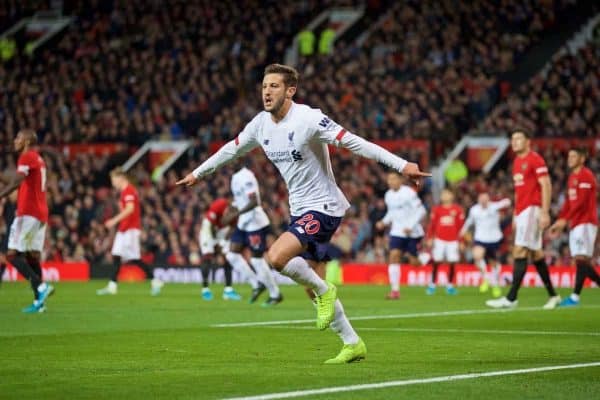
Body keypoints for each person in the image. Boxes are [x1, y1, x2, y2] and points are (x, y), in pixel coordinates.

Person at [177, 63, 429, 363]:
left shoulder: (310, 119)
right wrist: (198, 172)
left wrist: (402, 165)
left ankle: (326, 291)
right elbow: (231, 149)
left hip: (324, 206)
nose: (267, 92)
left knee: (276, 257)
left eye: (274, 86)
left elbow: (356, 143)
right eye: (264, 86)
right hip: (300, 211)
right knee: (310, 288)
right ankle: (352, 343)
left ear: (290, 90)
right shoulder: (260, 125)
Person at [486, 130, 561, 309]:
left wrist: (544, 212)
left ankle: (511, 298)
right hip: (522, 212)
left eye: (518, 138)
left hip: (533, 210)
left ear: (528, 141)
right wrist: (515, 214)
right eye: (512, 139)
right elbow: (519, 192)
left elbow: (546, 184)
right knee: (536, 254)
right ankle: (553, 296)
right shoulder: (517, 162)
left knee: (519, 251)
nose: (514, 142)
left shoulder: (535, 159)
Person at [0, 129, 54, 312]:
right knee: (31, 257)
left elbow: (16, 183)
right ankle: (40, 303)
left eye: (18, 138)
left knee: (12, 255)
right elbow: (17, 180)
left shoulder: (26, 157)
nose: (15, 141)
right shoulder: (37, 158)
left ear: (26, 141)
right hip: (40, 213)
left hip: (27, 212)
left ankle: (41, 287)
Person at [97, 168, 164, 296]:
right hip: (124, 229)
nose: (112, 183)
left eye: (113, 180)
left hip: (130, 230)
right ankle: (112, 286)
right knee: (116, 255)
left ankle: (155, 280)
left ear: (120, 178)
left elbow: (130, 209)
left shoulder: (129, 191)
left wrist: (114, 220)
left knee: (133, 258)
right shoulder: (124, 192)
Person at [549, 147, 599, 306]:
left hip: (585, 222)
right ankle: (575, 297)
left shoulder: (586, 176)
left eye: (573, 156)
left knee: (580, 259)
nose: (569, 158)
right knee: (581, 261)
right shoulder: (572, 177)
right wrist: (560, 220)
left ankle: (575, 297)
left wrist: (565, 220)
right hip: (576, 223)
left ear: (582, 158)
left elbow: (582, 203)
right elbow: (569, 203)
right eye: (569, 155)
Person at [227, 165, 283, 306]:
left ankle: (275, 294)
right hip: (243, 223)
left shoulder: (246, 176)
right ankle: (257, 284)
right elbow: (240, 200)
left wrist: (236, 213)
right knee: (232, 255)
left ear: (237, 159)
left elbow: (254, 201)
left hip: (255, 223)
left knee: (256, 260)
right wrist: (231, 211)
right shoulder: (234, 177)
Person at [375, 171, 426, 300]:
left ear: (400, 180)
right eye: (389, 179)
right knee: (393, 256)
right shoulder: (388, 195)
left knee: (414, 262)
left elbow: (421, 211)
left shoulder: (409, 193)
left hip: (413, 232)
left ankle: (425, 259)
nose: (390, 182)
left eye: (393, 179)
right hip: (397, 232)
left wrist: (411, 226)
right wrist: (384, 222)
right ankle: (395, 291)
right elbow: (391, 213)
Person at [460, 192, 510, 298]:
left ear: (488, 200)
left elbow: (507, 202)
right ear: (478, 200)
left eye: (485, 199)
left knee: (493, 263)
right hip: (480, 238)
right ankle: (486, 278)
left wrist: (504, 203)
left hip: (494, 239)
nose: (483, 201)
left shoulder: (494, 207)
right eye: (481, 199)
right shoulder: (474, 210)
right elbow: (469, 221)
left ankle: (495, 284)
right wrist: (463, 230)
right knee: (477, 256)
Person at [198, 197, 243, 301]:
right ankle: (205, 289)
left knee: (228, 257)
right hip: (209, 229)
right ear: (229, 205)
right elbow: (211, 225)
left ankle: (228, 290)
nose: (232, 213)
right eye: (231, 210)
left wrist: (223, 243)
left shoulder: (237, 215)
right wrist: (216, 244)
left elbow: (231, 230)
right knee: (207, 256)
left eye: (235, 211)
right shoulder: (219, 204)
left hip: (222, 231)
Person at [425, 188, 464, 295]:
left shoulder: (458, 209)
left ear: (452, 196)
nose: (444, 196)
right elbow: (431, 225)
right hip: (439, 240)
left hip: (453, 241)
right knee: (436, 261)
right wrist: (429, 238)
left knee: (452, 262)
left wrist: (461, 241)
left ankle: (450, 286)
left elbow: (461, 228)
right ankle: (432, 285)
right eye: (442, 194)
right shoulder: (436, 209)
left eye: (446, 194)